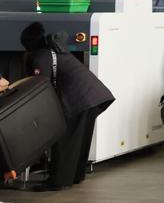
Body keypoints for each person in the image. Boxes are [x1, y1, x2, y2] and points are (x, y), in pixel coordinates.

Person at [19, 22, 115, 191]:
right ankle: (76, 175)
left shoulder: (41, 56)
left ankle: (58, 181)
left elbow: (41, 86)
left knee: (65, 140)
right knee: (79, 140)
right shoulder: (55, 49)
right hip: (93, 96)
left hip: (79, 99)